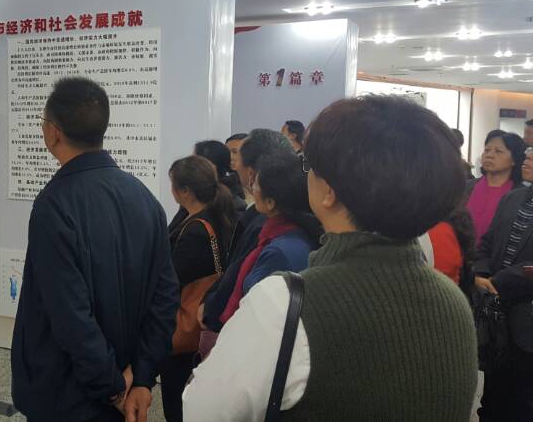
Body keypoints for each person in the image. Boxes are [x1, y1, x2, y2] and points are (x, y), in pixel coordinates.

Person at [183, 95, 477, 421]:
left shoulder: (284, 301)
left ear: (329, 192)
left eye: (309, 166)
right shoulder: (453, 301)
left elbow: (200, 410)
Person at [11, 77, 178, 422]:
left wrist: (113, 388)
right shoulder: (145, 199)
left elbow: (70, 316)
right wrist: (141, 377)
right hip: (126, 384)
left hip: (69, 395)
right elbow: (164, 299)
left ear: (53, 132)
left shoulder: (53, 206)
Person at [198, 129, 295, 335]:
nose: (233, 164)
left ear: (252, 173)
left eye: (237, 156)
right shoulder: (272, 218)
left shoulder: (268, 230)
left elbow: (237, 277)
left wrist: (211, 308)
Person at [163, 155, 237, 422]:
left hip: (185, 326)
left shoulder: (195, 230)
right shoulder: (213, 215)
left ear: (184, 191)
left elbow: (171, 279)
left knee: (176, 401)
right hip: (203, 320)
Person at [215, 152, 321, 330]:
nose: (251, 187)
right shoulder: (297, 233)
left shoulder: (278, 252)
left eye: (256, 183)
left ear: (271, 202)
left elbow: (258, 313)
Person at [474, 148, 533, 420]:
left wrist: (501, 280)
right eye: (528, 153)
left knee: (522, 403)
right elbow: (487, 243)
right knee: (492, 399)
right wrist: (481, 272)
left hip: (526, 316)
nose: (527, 158)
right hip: (495, 317)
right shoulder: (513, 198)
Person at [467, 130, 525, 243]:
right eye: (487, 150)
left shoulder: (521, 195)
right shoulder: (466, 187)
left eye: (498, 151)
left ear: (514, 159)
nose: (489, 155)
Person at [193, 140, 246, 208]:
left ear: (210, 167)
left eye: (193, 163)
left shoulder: (231, 203)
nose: (189, 167)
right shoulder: (194, 195)